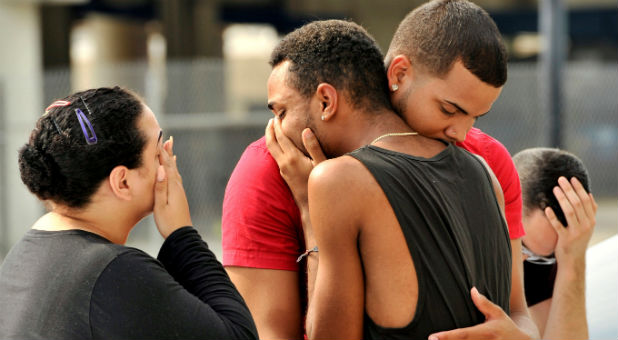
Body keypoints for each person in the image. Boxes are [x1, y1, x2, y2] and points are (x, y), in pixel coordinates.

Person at [222, 1, 535, 339]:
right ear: (398, 74)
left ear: (327, 102)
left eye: (281, 111)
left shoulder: (483, 158)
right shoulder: (482, 170)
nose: (461, 133)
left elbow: (518, 314)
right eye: (449, 109)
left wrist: (312, 211)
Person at [0, 87, 258, 339]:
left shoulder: (22, 256)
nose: (168, 164)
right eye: (159, 152)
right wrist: (182, 235)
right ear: (122, 181)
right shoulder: (113, 270)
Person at [513, 147, 597, 339]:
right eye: (522, 246)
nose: (524, 259)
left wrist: (572, 260)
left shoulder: (550, 256)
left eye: (541, 259)